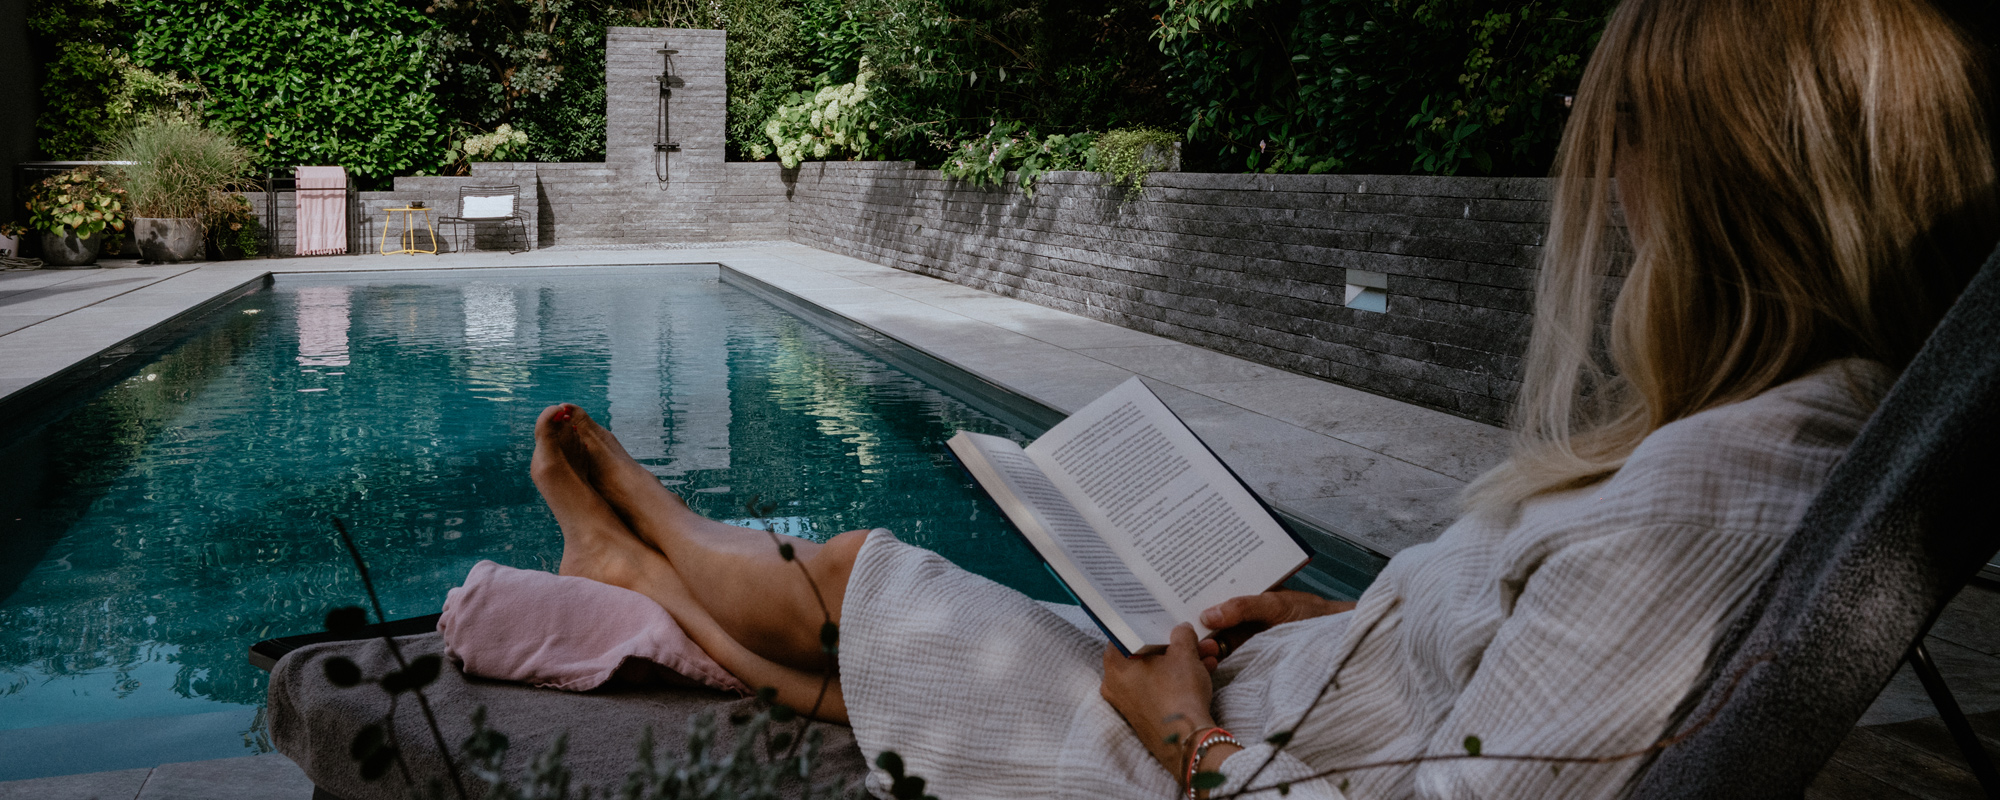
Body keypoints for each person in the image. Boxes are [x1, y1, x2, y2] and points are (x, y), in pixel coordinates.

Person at [527, 0, 1998, 796]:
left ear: (1729, 189)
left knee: (875, 579)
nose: (1608, 191)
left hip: (1237, 759)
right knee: (906, 639)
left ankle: (655, 552)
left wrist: (1186, 738)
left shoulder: (1710, 501)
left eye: (1621, 150)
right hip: (1304, 701)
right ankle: (660, 567)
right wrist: (1362, 620)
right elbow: (1531, 669)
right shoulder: (1795, 437)